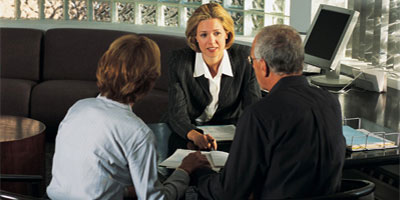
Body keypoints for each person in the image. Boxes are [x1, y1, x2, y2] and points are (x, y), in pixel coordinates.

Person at [46, 34, 210, 200]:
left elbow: (85, 179)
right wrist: (185, 170)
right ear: (151, 80)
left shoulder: (78, 107)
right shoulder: (138, 133)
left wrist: (123, 191)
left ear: (104, 66)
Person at [192, 25, 346, 199]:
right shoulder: (331, 102)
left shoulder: (260, 114)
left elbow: (228, 192)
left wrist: (200, 172)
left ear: (263, 66)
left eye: (252, 61)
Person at [165, 3, 261, 150]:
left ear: (227, 34)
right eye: (204, 35)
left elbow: (253, 109)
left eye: (217, 33)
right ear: (195, 37)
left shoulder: (245, 59)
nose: (211, 41)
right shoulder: (179, 61)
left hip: (230, 137)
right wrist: (195, 135)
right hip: (186, 134)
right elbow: (177, 114)